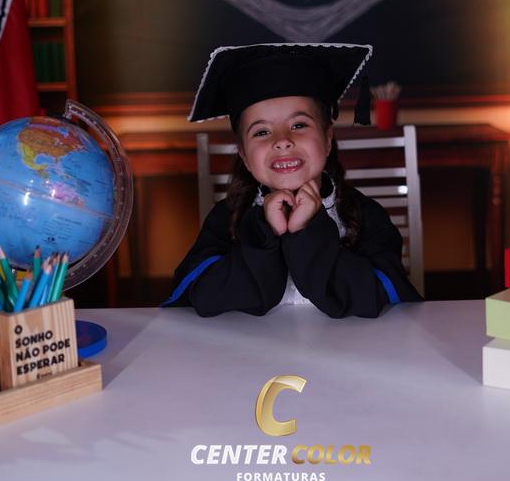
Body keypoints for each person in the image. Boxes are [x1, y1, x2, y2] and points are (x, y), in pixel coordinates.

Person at [163, 43, 422, 318]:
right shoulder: (226, 218)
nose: (282, 140)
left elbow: (382, 298)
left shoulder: (365, 215)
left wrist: (306, 232)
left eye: (299, 125)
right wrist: (265, 233)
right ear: (244, 156)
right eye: (261, 132)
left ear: (328, 139)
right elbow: (204, 297)